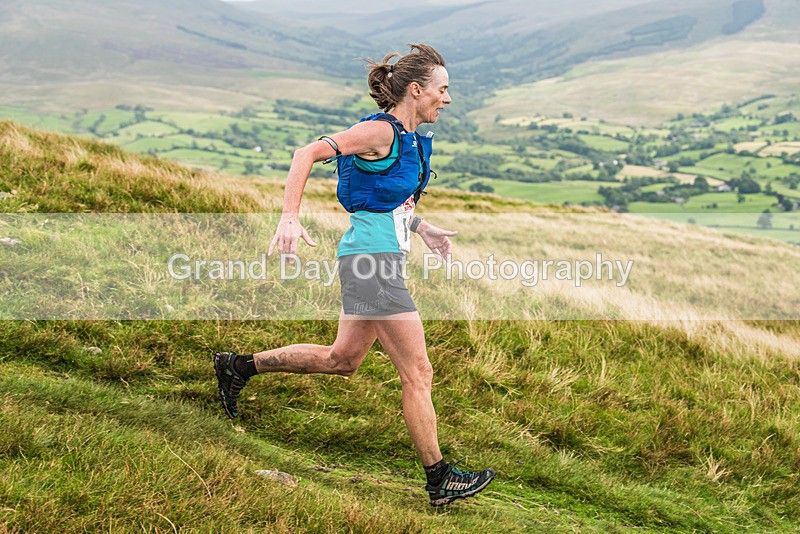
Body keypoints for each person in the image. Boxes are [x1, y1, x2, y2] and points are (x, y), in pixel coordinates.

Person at [214, 44, 495, 506]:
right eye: (443, 91)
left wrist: (421, 227)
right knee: (418, 372)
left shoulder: (409, 138)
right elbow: (306, 153)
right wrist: (289, 216)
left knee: (341, 360)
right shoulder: (376, 131)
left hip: (375, 256)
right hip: (372, 263)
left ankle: (237, 366)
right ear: (417, 90)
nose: (447, 100)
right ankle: (440, 479)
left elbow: (378, 200)